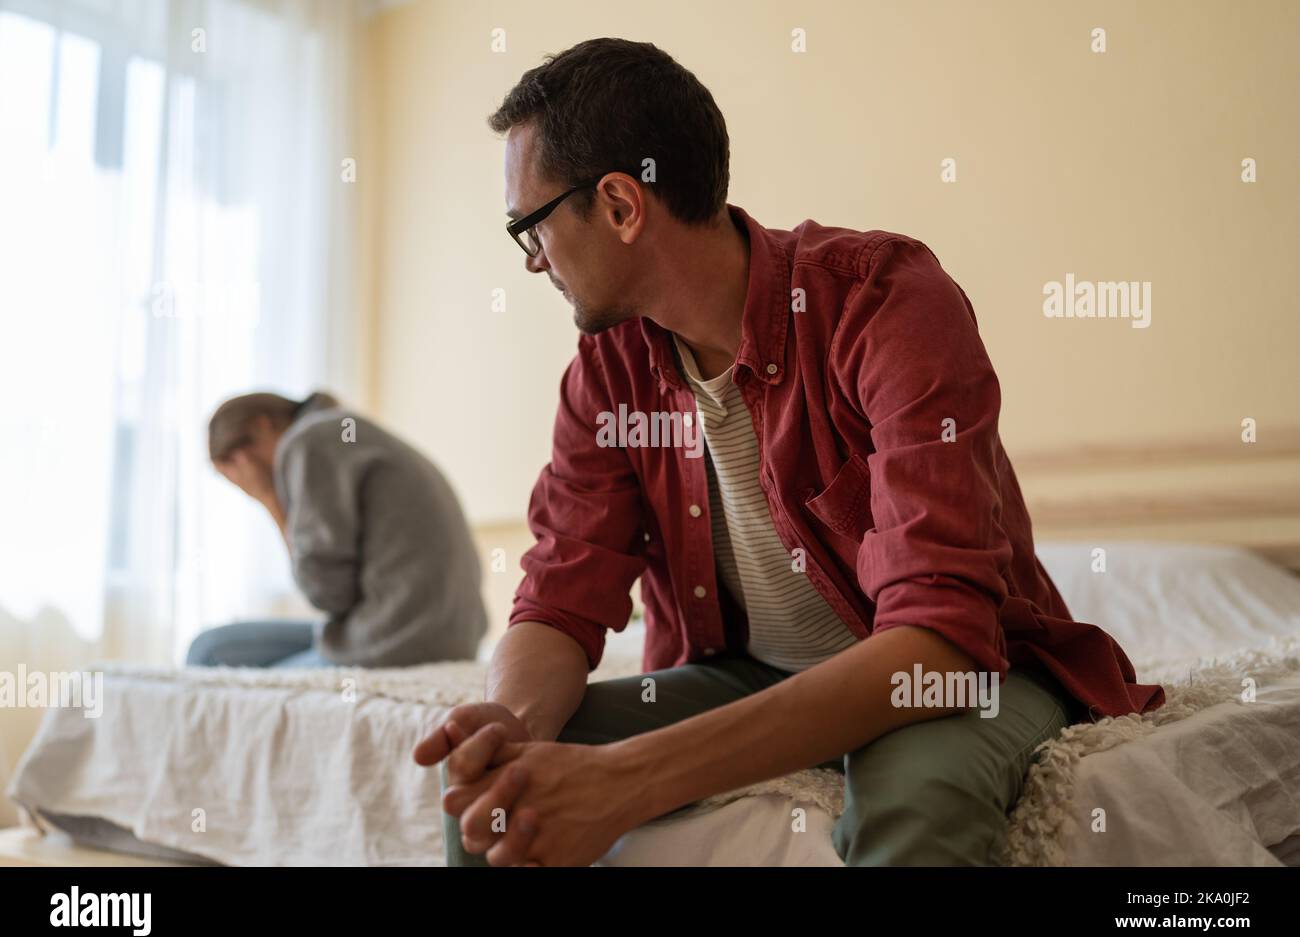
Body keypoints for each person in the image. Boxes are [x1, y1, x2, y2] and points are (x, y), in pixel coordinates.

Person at [416, 38, 1165, 867]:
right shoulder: (608, 372)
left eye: (531, 225)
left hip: (965, 673)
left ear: (622, 205)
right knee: (493, 791)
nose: (531, 261)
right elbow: (560, 597)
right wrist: (512, 724)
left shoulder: (883, 303)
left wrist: (631, 778)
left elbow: (938, 636)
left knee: (920, 802)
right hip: (748, 671)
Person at [187, 390, 487, 669]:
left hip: (397, 639)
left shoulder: (308, 441)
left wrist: (268, 497)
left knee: (208, 654)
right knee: (210, 645)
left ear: (263, 425)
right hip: (446, 636)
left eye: (238, 466)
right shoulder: (341, 429)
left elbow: (327, 593)